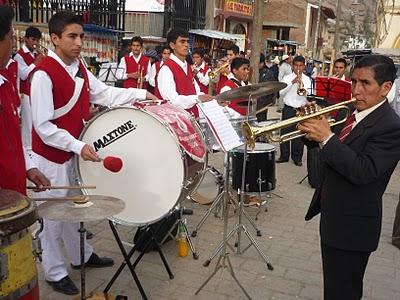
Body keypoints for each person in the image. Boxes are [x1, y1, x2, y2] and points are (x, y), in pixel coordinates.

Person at [29, 11, 156, 295]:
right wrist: (79, 146)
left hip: (73, 152)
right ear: (55, 38)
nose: (78, 43)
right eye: (72, 37)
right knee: (53, 220)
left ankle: (81, 256)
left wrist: (140, 95)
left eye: (81, 37)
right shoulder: (42, 75)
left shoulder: (80, 68)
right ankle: (54, 271)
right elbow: (43, 126)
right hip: (50, 159)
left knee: (77, 208)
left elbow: (104, 94)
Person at [298, 54, 400, 299]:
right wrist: (310, 130)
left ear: (386, 88)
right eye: (354, 82)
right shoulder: (353, 112)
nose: (356, 90)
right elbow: (336, 149)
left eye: (366, 83)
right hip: (334, 219)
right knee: (333, 289)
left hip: (353, 228)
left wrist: (326, 137)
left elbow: (362, 171)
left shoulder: (391, 126)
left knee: (343, 292)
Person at [0, 6, 49, 195]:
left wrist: (28, 166)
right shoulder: (19, 58)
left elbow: (12, 140)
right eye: (11, 37)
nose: (13, 44)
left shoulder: (4, 85)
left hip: (14, 193)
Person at [157, 28, 213, 118]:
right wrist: (197, 98)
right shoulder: (166, 69)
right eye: (182, 42)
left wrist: (213, 101)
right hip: (177, 122)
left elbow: (196, 92)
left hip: (192, 119)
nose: (186, 45)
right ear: (172, 45)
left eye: (187, 42)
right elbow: (172, 101)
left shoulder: (188, 66)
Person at [14, 26, 45, 154]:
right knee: (27, 124)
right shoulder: (19, 56)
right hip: (26, 94)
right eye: (33, 40)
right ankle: (27, 150)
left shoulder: (37, 54)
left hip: (37, 92)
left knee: (37, 121)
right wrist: (36, 63)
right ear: (26, 39)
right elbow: (23, 75)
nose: (36, 43)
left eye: (37, 40)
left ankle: (36, 149)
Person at [276, 55, 311, 166]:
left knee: (299, 133)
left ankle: (297, 157)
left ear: (304, 66)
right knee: (285, 132)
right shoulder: (287, 78)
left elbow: (310, 94)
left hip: (301, 110)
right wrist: (292, 82)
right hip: (288, 108)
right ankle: (284, 156)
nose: (298, 68)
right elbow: (281, 93)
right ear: (292, 65)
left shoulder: (307, 79)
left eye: (300, 66)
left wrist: (302, 85)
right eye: (296, 65)